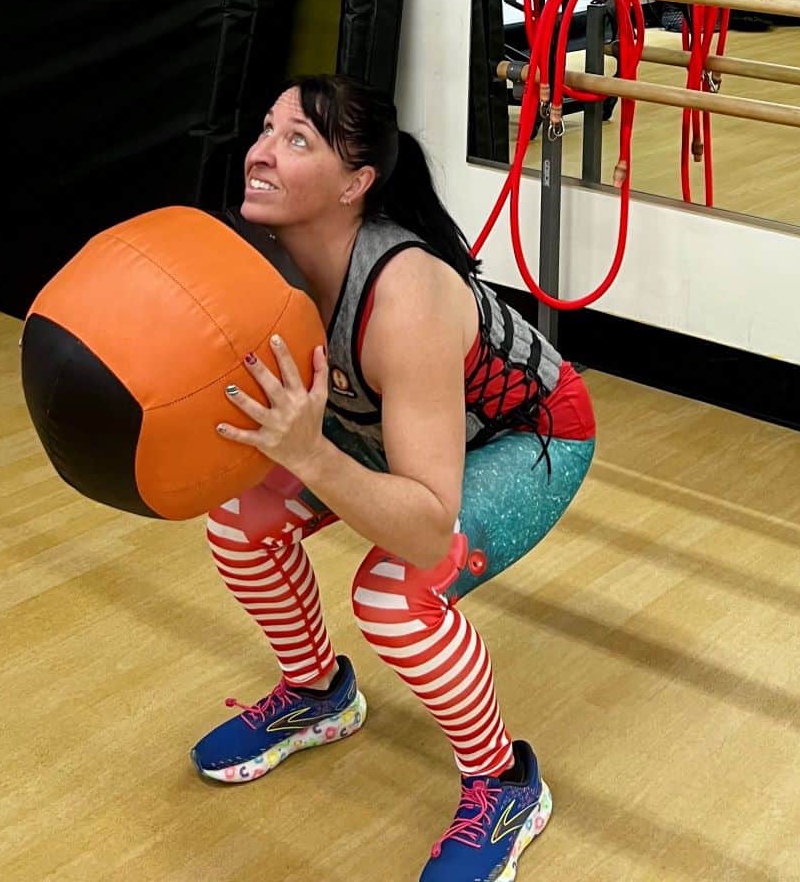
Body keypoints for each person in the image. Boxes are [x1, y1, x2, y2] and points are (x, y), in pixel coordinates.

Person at [196, 73, 595, 881]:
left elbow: (423, 525)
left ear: (357, 184)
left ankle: (504, 784)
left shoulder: (405, 293)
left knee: (394, 591)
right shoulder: (261, 256)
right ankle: (317, 696)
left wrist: (310, 456)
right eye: (266, 128)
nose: (261, 154)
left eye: (297, 140)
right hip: (380, 431)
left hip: (529, 435)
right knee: (236, 519)